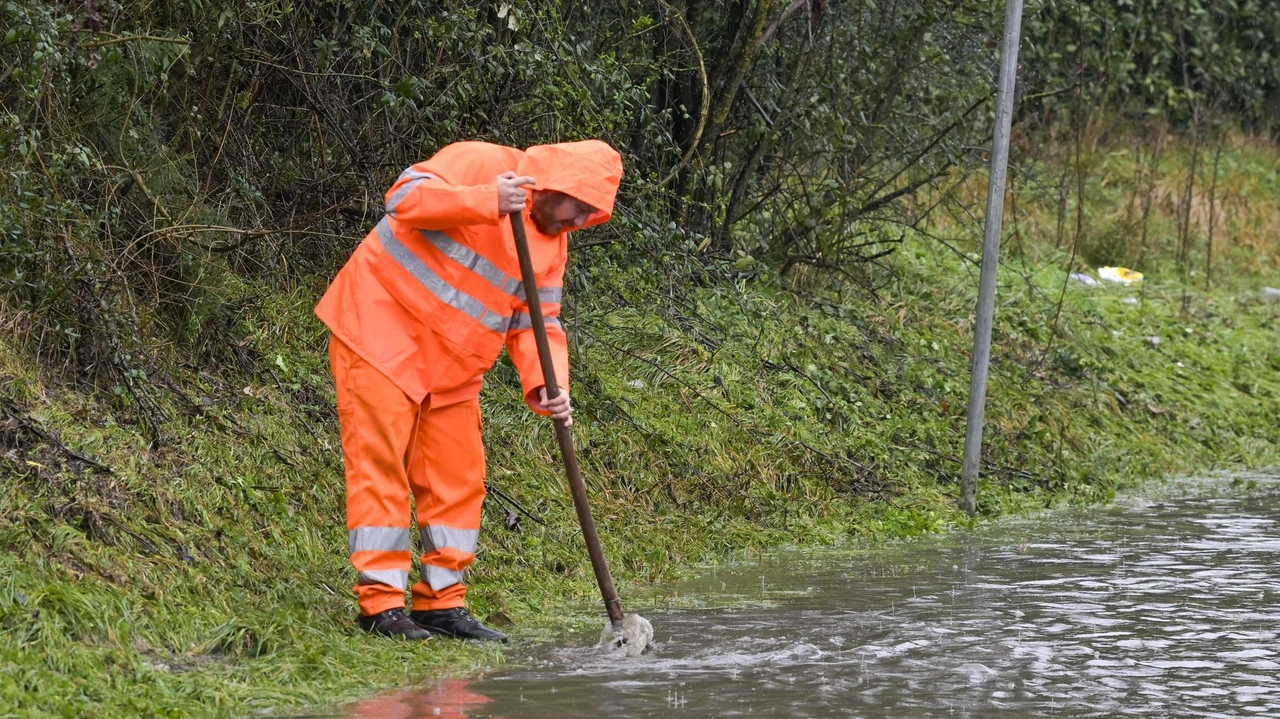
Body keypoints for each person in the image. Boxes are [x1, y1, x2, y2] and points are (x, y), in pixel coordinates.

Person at [315, 140, 623, 641]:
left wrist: (548, 383)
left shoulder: (553, 243)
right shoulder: (480, 164)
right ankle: (382, 608)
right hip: (380, 333)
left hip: (452, 372)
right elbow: (404, 200)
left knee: (458, 481)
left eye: (593, 214)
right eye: (580, 207)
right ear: (554, 185)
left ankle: (441, 603)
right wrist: (484, 199)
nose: (581, 221)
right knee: (381, 468)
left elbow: (537, 321)